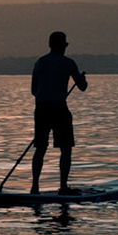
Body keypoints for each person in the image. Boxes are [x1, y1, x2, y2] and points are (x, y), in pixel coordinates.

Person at [30, 30, 87, 193]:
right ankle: (62, 186)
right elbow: (82, 87)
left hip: (41, 108)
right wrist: (83, 80)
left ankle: (35, 186)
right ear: (63, 46)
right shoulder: (68, 63)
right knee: (66, 148)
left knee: (40, 149)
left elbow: (34, 89)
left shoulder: (40, 62)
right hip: (59, 108)